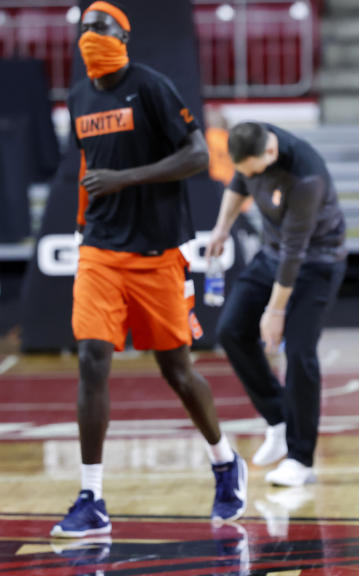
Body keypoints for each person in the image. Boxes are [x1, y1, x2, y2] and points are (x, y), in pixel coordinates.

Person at [51, 1, 246, 537]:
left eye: (101, 27)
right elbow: (91, 164)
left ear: (123, 36)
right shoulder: (78, 95)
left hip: (157, 252)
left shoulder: (152, 85)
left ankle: (226, 462)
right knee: (92, 358)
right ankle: (92, 496)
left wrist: (126, 179)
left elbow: (197, 156)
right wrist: (83, 221)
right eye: (83, 28)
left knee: (176, 372)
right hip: (99, 248)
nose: (90, 35)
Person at [208, 122, 347, 487]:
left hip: (317, 262)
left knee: (299, 352)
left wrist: (275, 310)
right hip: (272, 256)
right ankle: (279, 420)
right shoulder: (250, 140)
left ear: (270, 154)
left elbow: (294, 251)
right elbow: (238, 182)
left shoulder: (306, 175)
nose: (249, 176)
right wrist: (222, 228)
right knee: (232, 331)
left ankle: (301, 460)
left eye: (254, 169)